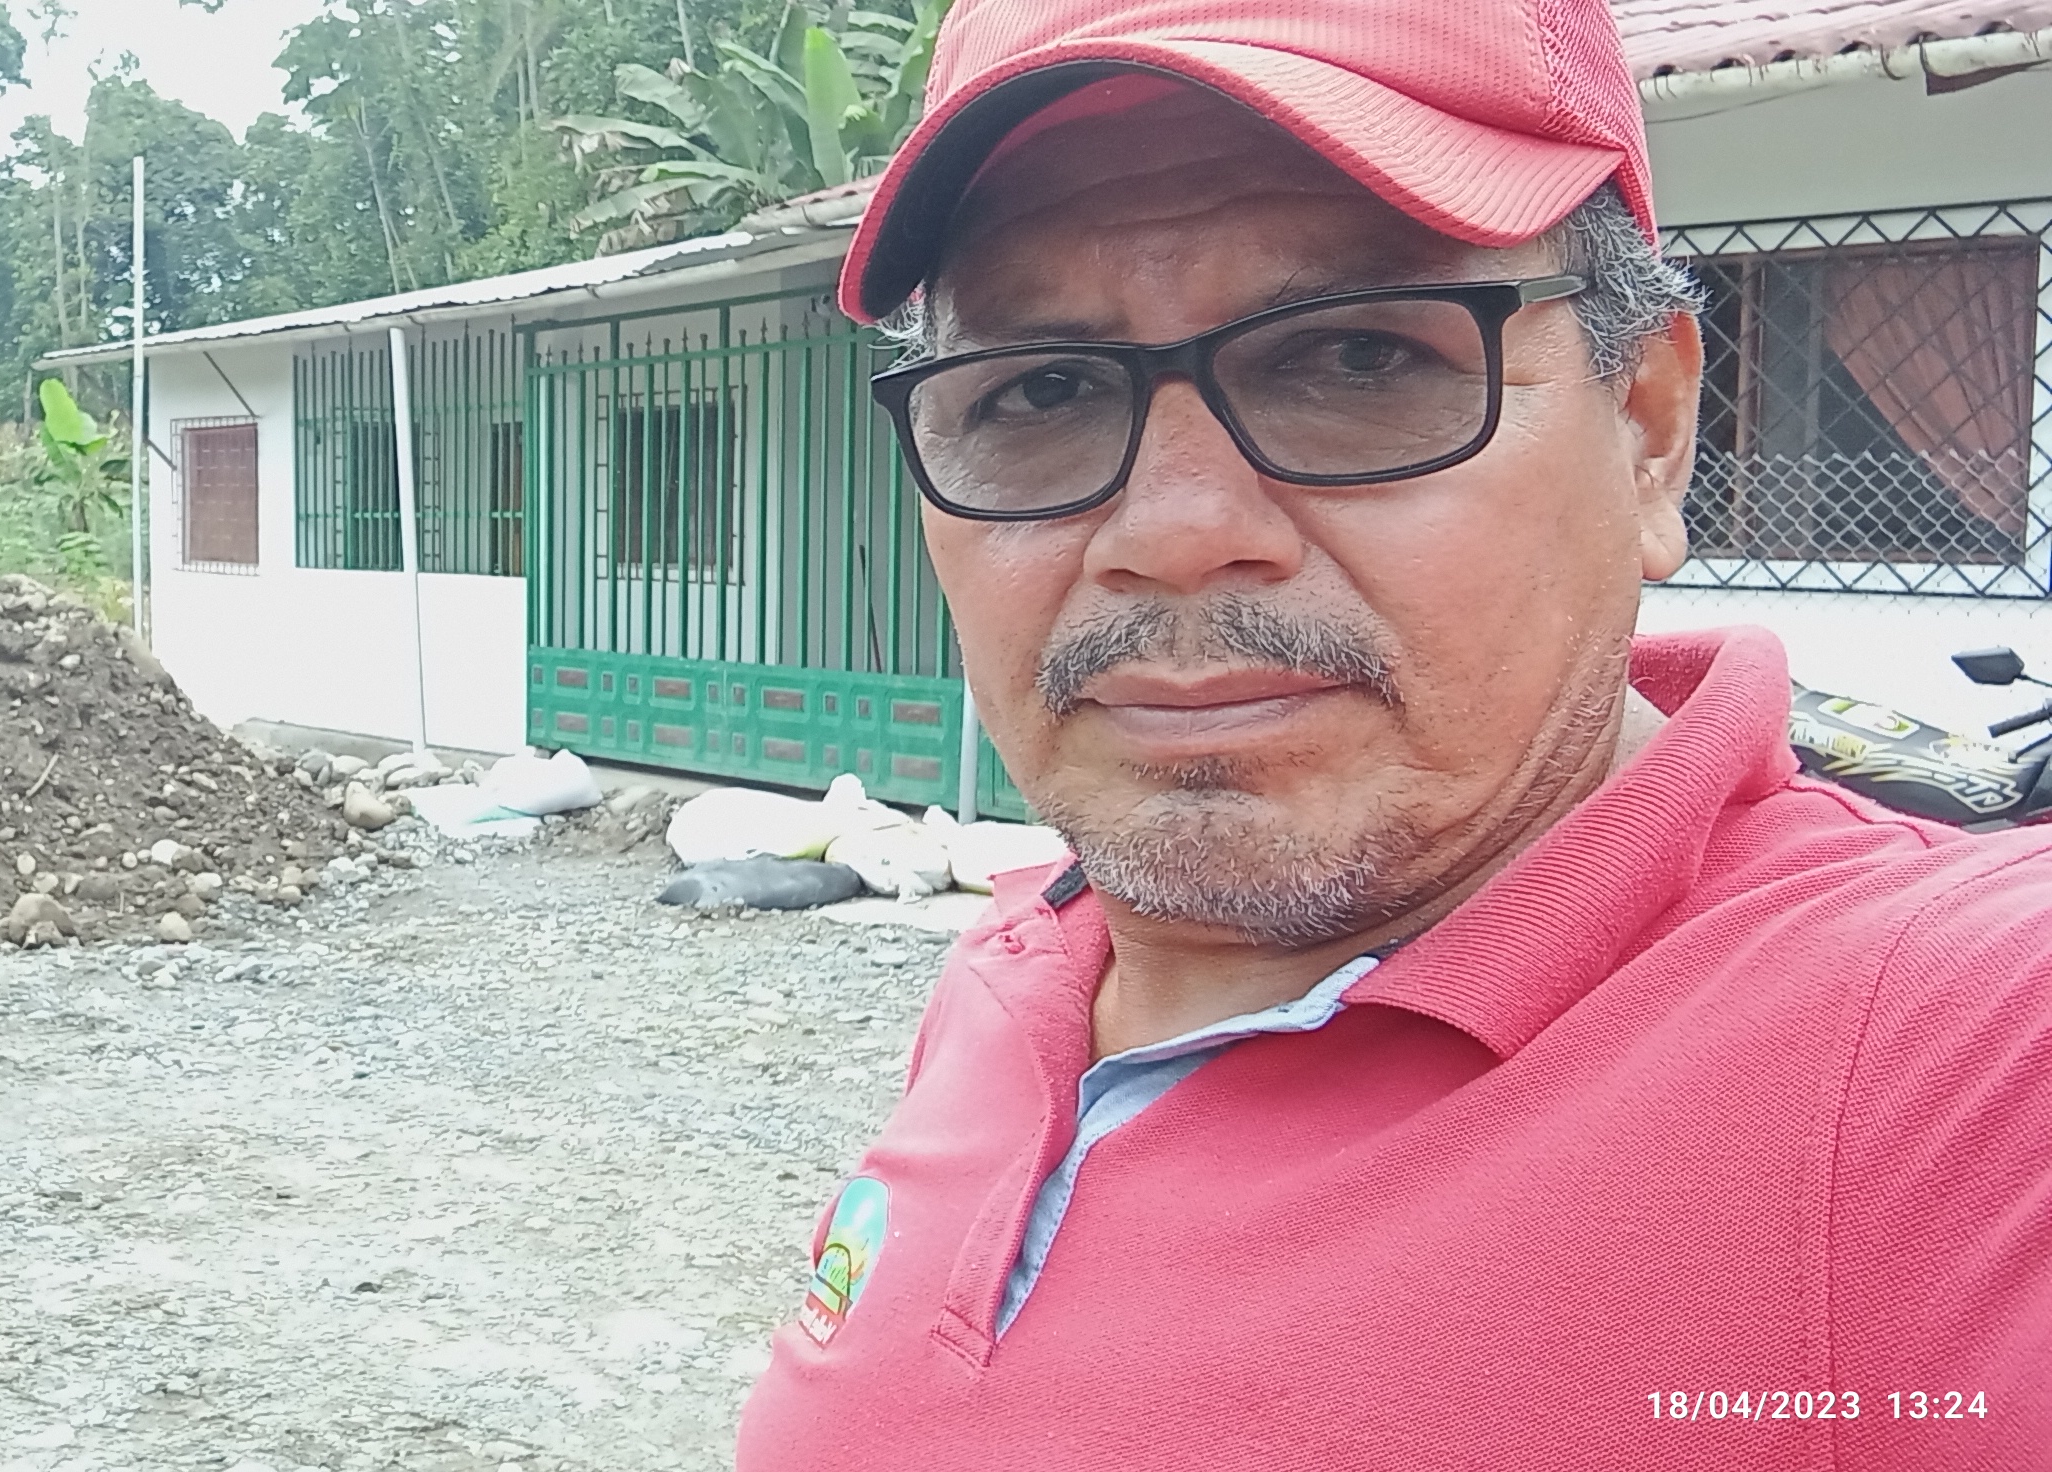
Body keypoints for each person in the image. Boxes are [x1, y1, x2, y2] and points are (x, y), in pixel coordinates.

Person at [734, 1, 2052, 1467]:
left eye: (1358, 359)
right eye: (1039, 390)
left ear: (1650, 427)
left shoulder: (1953, 1064)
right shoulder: (1031, 956)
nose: (1175, 532)